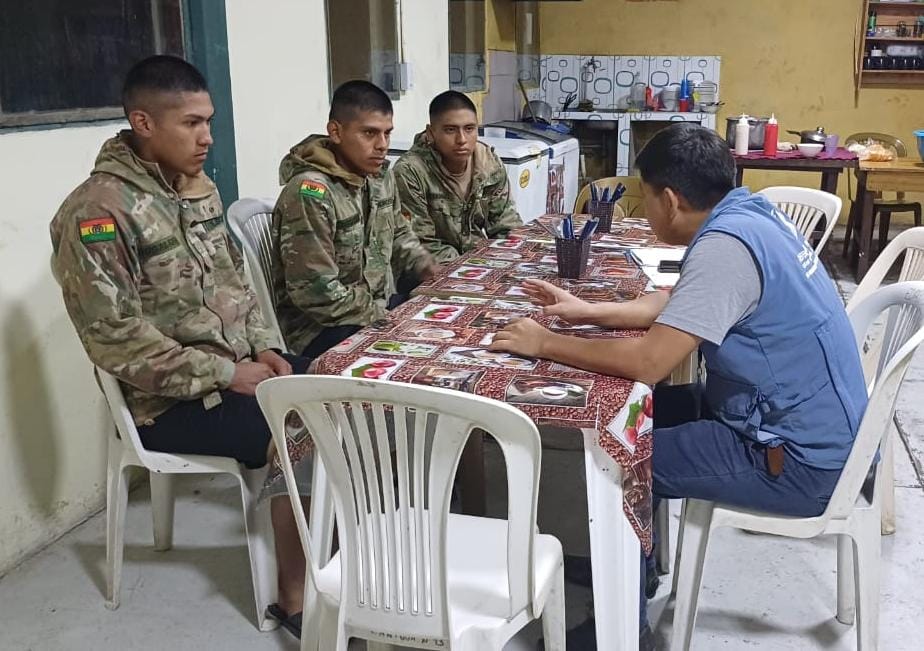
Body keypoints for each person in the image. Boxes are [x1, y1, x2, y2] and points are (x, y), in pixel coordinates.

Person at [489, 123, 868, 648]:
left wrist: (544, 343)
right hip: (797, 421)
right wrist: (586, 312)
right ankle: (630, 562)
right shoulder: (748, 215)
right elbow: (678, 303)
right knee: (632, 418)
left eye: (645, 198)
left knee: (622, 455)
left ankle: (622, 625)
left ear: (669, 199)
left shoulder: (725, 249)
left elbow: (648, 361)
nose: (645, 211)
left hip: (794, 457)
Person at [49, 55, 310, 638]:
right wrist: (226, 374)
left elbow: (239, 285)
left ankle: (339, 559)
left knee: (354, 385)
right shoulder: (96, 211)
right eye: (191, 123)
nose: (206, 137)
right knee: (309, 429)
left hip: (237, 372)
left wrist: (266, 347)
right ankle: (295, 601)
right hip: (168, 404)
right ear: (143, 122)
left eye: (208, 121)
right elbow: (113, 340)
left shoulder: (198, 189)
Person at [272, 80, 438, 358]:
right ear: (335, 132)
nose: (382, 145)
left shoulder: (378, 176)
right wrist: (387, 316)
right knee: (419, 354)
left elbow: (398, 232)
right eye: (369, 133)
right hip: (322, 328)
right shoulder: (311, 193)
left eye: (387, 133)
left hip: (375, 307)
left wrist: (427, 267)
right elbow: (316, 293)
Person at [391, 90, 522, 263]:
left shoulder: (488, 163)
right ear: (431, 133)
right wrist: (470, 267)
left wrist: (509, 255)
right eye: (450, 130)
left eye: (469, 129)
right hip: (427, 270)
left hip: (479, 263)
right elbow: (418, 242)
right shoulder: (410, 171)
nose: (461, 139)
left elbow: (506, 225)